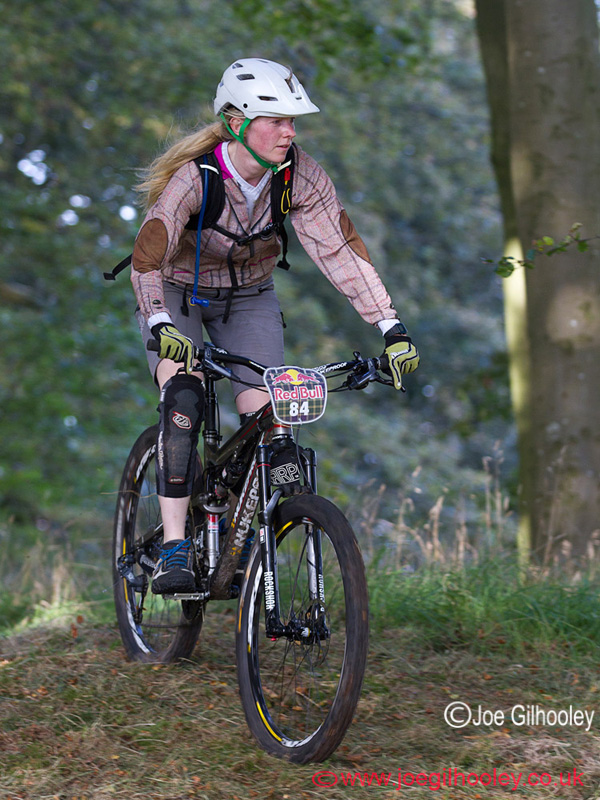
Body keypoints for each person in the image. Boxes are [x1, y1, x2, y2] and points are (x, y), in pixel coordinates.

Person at [130, 58, 420, 594]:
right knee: (185, 400)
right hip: (178, 296)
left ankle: (241, 539)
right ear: (237, 121)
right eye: (277, 119)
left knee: (271, 417)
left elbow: (341, 253)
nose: (290, 131)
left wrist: (391, 327)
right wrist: (161, 321)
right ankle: (174, 542)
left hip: (250, 297)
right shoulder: (195, 180)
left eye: (294, 120)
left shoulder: (299, 175)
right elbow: (147, 258)